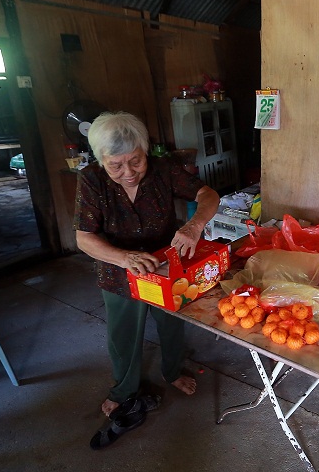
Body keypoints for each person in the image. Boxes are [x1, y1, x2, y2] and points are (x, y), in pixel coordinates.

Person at [73, 111, 219, 444]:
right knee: (124, 333)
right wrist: (124, 257)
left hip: (166, 265)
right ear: (101, 161)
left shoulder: (164, 169)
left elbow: (208, 195)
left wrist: (194, 225)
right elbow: (85, 238)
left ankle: (171, 372)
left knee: (172, 322)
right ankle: (124, 389)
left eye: (135, 162)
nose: (128, 173)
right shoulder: (91, 180)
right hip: (117, 269)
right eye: (116, 166)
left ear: (145, 150)